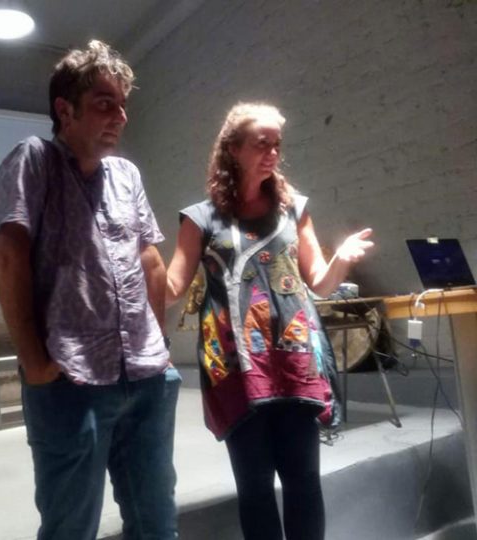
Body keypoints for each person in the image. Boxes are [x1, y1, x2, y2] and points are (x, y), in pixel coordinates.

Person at [0, 40, 180, 540]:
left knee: (157, 522)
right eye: (104, 103)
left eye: (123, 105)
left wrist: (158, 344)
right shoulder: (34, 160)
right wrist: (33, 362)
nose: (120, 116)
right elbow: (9, 257)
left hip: (146, 377)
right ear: (64, 110)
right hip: (71, 381)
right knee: (70, 527)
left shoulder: (126, 174)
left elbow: (150, 261)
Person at [165, 102, 374, 540]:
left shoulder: (293, 209)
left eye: (277, 145)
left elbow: (319, 283)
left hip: (294, 363)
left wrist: (341, 260)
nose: (273, 154)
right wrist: (141, 258)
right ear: (233, 149)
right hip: (235, 369)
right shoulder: (200, 219)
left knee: (303, 481)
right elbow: (171, 288)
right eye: (262, 144)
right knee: (255, 487)